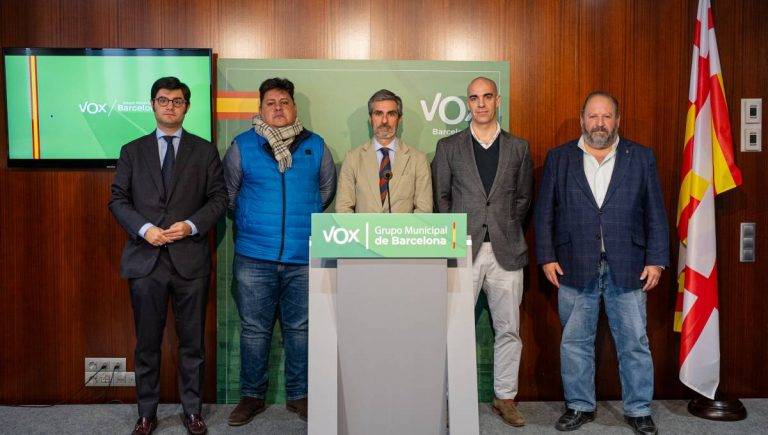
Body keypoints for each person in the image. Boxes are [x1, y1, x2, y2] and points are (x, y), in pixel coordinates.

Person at [534, 92, 668, 435]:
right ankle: (579, 406)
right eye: (593, 116)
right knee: (575, 341)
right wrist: (547, 255)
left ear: (617, 121)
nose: (599, 123)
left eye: (606, 116)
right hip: (574, 264)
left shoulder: (640, 157)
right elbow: (544, 212)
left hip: (629, 264)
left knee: (634, 342)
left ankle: (638, 409)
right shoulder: (560, 158)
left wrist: (656, 260)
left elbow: (655, 212)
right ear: (582, 120)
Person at [109, 76, 227, 435]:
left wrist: (191, 225)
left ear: (186, 107)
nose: (170, 106)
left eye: (177, 101)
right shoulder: (132, 150)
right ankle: (146, 413)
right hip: (146, 261)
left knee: (192, 344)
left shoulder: (205, 151)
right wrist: (145, 229)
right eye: (163, 100)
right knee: (147, 344)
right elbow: (118, 200)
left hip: (190, 261)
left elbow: (219, 199)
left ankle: (192, 411)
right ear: (153, 105)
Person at [223, 77, 337, 425]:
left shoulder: (315, 146)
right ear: (260, 109)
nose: (277, 108)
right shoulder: (242, 145)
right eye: (271, 102)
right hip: (254, 257)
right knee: (255, 330)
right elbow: (228, 194)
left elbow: (326, 190)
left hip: (303, 257)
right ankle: (252, 396)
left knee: (300, 329)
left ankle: (299, 395)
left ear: (294, 108)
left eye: (284, 102)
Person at [431, 76, 533, 427]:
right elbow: (441, 198)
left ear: (498, 100)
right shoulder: (448, 147)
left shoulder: (518, 147)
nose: (481, 103)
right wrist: (457, 238)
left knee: (508, 329)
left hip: (506, 252)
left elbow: (522, 199)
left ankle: (505, 398)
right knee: (453, 328)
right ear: (468, 103)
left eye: (487, 96)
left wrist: (501, 227)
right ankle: (449, 397)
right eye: (474, 98)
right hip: (463, 250)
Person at [335, 89, 432, 213]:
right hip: (364, 231)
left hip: (403, 232)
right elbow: (343, 208)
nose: (384, 121)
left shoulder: (418, 159)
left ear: (400, 119)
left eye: (391, 114)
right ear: (370, 119)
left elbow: (424, 210)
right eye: (378, 113)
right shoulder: (352, 158)